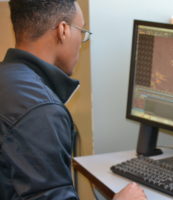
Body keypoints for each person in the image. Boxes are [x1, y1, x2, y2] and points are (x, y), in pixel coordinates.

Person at [0, 0, 147, 199]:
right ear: (63, 30)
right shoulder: (40, 112)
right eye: (82, 31)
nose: (82, 40)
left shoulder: (8, 79)